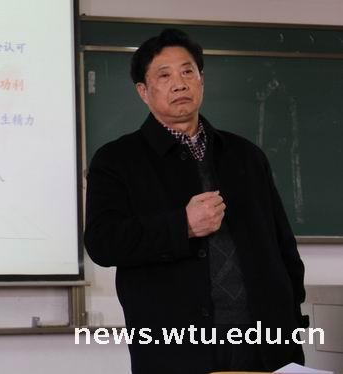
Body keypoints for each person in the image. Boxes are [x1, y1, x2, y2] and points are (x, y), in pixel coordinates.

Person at [84, 28, 308, 374]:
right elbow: (103, 243)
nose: (179, 83)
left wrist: (291, 316)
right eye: (164, 75)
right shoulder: (117, 160)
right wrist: (182, 225)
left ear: (201, 80)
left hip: (264, 344)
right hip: (176, 349)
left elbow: (283, 246)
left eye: (188, 71)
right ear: (143, 91)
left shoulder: (245, 155)